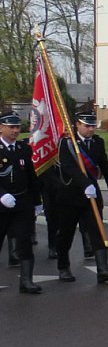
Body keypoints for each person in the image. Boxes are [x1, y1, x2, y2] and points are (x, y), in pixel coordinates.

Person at [53, 109, 108, 283]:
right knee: (66, 233)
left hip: (92, 195)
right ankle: (63, 267)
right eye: (87, 126)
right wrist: (85, 183)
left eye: (92, 126)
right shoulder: (67, 143)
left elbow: (104, 165)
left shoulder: (98, 142)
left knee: (97, 229)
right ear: (78, 125)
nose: (91, 129)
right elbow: (68, 167)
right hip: (70, 195)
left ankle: (102, 269)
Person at [0, 111, 42, 293]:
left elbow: (31, 176)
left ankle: (26, 281)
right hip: (1, 203)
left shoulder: (23, 148)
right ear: (1, 127)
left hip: (22, 201)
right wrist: (1, 194)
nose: (15, 131)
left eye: (17, 127)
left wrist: (37, 200)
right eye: (11, 127)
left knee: (25, 240)